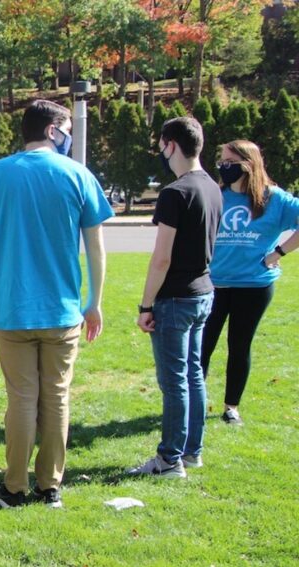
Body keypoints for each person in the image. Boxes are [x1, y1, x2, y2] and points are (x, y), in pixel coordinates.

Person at [0, 99, 112, 508]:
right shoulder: (77, 175)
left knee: (22, 399)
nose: (69, 137)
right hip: (62, 310)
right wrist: (94, 302)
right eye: (66, 128)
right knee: (57, 397)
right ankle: (51, 486)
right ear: (51, 130)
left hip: (12, 310)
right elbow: (96, 247)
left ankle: (14, 486)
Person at [128, 116, 222, 478]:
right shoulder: (211, 187)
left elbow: (162, 257)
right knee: (193, 374)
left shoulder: (175, 192)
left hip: (176, 299)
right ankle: (191, 451)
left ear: (171, 145)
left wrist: (146, 305)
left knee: (175, 381)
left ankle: (169, 459)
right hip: (202, 294)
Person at [200, 140, 299, 426]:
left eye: (229, 161)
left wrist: (278, 253)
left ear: (248, 164)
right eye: (221, 161)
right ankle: (194, 402)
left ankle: (231, 407)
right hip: (213, 284)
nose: (223, 166)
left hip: (254, 286)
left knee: (239, 346)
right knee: (202, 345)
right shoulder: (215, 195)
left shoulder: (274, 199)